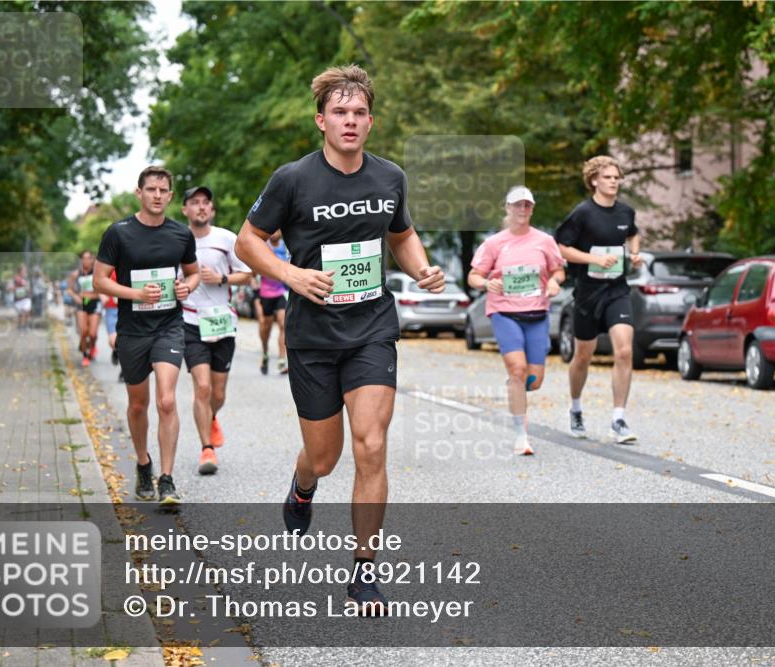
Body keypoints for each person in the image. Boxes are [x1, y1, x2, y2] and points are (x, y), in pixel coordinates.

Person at [235, 64, 444, 615]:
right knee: (325, 458)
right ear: (321, 120)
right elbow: (247, 241)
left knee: (371, 445)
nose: (349, 122)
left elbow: (401, 234)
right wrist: (291, 275)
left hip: (372, 327)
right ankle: (303, 484)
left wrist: (420, 267)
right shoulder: (293, 180)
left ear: (370, 122)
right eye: (339, 113)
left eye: (358, 113)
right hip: (313, 336)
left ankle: (364, 572)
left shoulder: (389, 177)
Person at [93, 166, 200, 506]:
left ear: (170, 195)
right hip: (132, 330)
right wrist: (134, 294)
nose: (157, 195)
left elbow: (193, 274)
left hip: (169, 326)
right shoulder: (118, 233)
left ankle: (166, 479)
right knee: (138, 404)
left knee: (166, 400)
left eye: (163, 190)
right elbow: (99, 281)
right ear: (139, 193)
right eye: (151, 189)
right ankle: (143, 463)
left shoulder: (181, 234)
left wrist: (186, 288)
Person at [468, 186, 566, 456]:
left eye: (527, 205)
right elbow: (473, 276)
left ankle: (516, 386)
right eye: (517, 205)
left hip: (536, 314)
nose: (522, 210)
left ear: (532, 209)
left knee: (533, 381)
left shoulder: (545, 241)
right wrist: (488, 283)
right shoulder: (494, 243)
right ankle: (521, 435)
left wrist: (555, 283)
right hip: (504, 312)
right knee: (518, 369)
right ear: (507, 208)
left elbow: (558, 271)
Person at [555, 155, 642, 444]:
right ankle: (576, 408)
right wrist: (594, 259)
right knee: (583, 356)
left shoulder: (626, 213)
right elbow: (562, 248)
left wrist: (635, 253)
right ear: (594, 180)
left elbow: (633, 235)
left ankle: (618, 419)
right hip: (588, 293)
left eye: (617, 178)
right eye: (608, 177)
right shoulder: (582, 213)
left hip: (617, 290)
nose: (614, 182)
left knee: (624, 351)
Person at [179, 185, 252, 475]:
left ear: (212, 210)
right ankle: (206, 449)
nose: (201, 207)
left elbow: (247, 276)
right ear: (185, 209)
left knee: (218, 393)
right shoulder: (176, 240)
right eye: (194, 203)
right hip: (190, 321)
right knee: (203, 387)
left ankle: (210, 418)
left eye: (205, 203)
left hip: (222, 321)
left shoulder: (226, 239)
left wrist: (221, 278)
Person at [255, 231, 290, 374]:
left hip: (281, 291)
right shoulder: (263, 246)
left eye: (277, 229)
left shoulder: (286, 247)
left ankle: (282, 360)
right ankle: (265, 352)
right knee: (266, 327)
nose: (274, 233)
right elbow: (252, 270)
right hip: (265, 293)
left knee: (283, 323)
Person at [68, 251, 101, 367]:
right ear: (81, 260)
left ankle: (92, 346)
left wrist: (98, 294)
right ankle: (85, 356)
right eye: (84, 258)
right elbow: (69, 289)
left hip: (94, 303)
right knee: (83, 332)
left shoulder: (97, 273)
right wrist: (76, 297)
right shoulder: (76, 274)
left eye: (89, 258)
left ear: (92, 260)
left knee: (92, 334)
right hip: (81, 304)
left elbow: (103, 287)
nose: (86, 260)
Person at [103, 269, 123, 382]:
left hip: (128, 308)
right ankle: (116, 350)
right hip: (112, 308)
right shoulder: (108, 265)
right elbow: (97, 281)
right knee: (113, 341)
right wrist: (102, 297)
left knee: (127, 341)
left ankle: (124, 371)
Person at [13, 264, 31, 330]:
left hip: (26, 298)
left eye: (25, 270)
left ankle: (25, 326)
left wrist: (27, 288)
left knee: (26, 311)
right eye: (24, 270)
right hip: (18, 299)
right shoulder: (17, 278)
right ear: (20, 271)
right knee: (20, 314)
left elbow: (27, 287)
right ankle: (20, 325)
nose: (25, 272)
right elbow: (21, 284)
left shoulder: (25, 278)